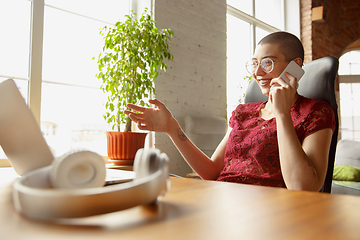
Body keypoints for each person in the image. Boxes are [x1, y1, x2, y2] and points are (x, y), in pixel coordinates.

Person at [124, 31, 335, 192]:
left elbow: (303, 188)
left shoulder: (315, 113)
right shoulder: (244, 113)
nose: (257, 72)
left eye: (267, 63)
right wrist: (171, 128)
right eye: (254, 64)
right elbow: (210, 172)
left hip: (268, 212)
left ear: (295, 66)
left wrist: (281, 114)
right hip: (222, 199)